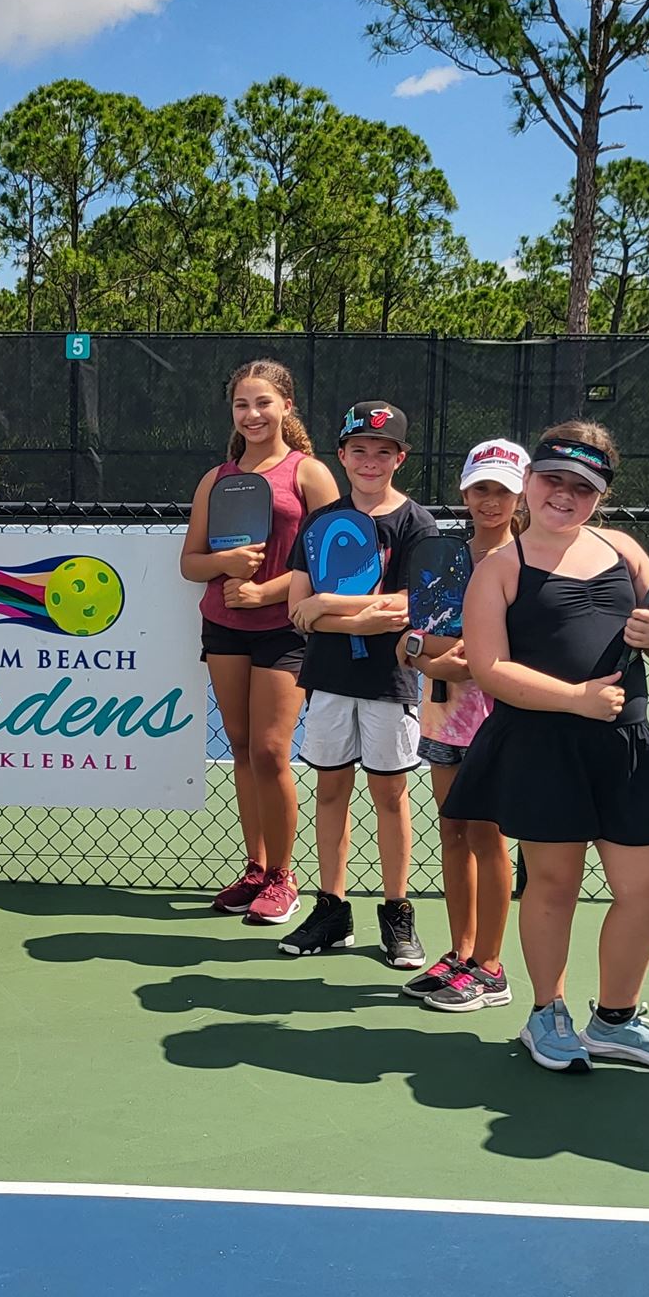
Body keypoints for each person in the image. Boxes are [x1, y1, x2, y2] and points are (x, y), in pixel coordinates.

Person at [444, 423, 649, 1075]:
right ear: (529, 482)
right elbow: (489, 668)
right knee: (554, 885)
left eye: (582, 488)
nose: (564, 495)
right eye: (552, 480)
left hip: (624, 745)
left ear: (601, 496)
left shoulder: (623, 550)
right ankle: (546, 1014)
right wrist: (575, 699)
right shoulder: (500, 569)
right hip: (542, 746)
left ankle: (617, 1020)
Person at [181, 358, 339, 927]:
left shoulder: (309, 474)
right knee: (243, 747)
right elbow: (191, 563)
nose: (252, 414)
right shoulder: (216, 479)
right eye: (242, 404)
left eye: (263, 403)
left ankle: (282, 877)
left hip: (285, 629)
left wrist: (266, 592)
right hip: (224, 628)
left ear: (286, 407)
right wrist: (224, 564)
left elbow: (334, 559)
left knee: (272, 752)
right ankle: (256, 868)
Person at [278, 401, 435, 964]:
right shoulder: (320, 522)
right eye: (360, 450)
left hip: (390, 681)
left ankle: (396, 913)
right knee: (330, 791)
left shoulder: (416, 524)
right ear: (342, 455)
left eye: (383, 452)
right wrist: (357, 617)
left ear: (400, 458)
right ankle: (332, 910)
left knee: (390, 795)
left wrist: (329, 604)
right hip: (329, 678)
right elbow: (298, 610)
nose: (371, 461)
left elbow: (410, 606)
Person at [402, 439, 526, 1015]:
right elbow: (412, 639)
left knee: (487, 835)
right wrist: (428, 658)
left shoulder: (529, 562)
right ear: (464, 491)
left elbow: (517, 647)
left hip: (501, 721)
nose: (490, 500)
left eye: (502, 490)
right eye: (481, 488)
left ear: (521, 495)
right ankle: (461, 953)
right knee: (453, 830)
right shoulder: (442, 557)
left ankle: (491, 968)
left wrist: (456, 654)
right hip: (443, 713)